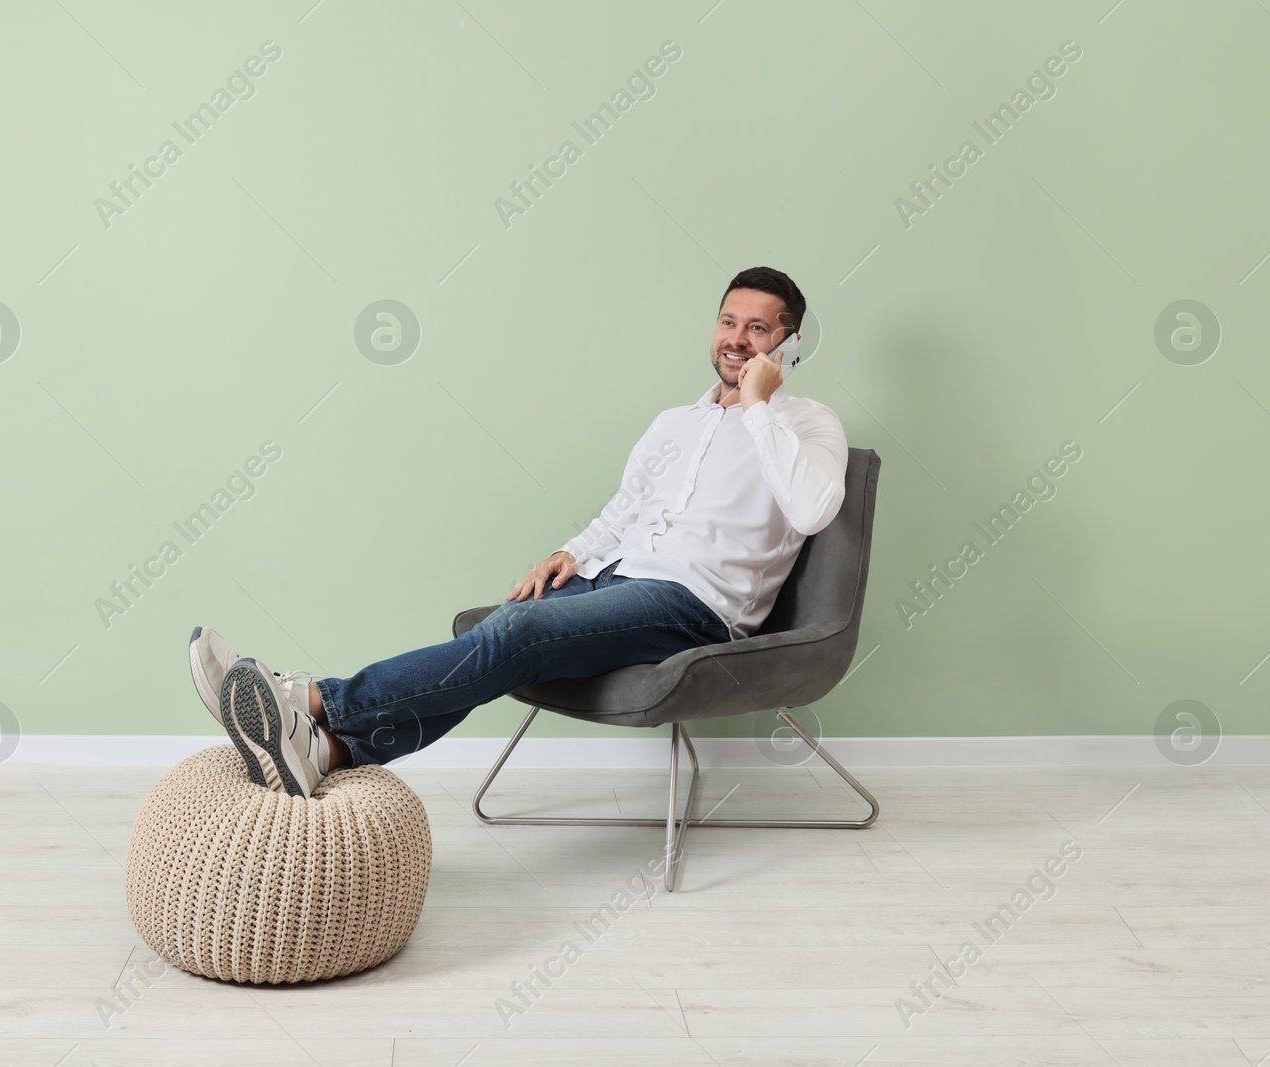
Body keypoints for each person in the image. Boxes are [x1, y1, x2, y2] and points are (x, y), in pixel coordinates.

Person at [189, 266, 849, 797]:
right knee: (503, 630)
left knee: (513, 633)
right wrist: (569, 553)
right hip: (614, 578)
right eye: (728, 321)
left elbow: (813, 509)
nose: (736, 339)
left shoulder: (809, 425)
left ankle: (308, 699)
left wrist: (760, 405)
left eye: (757, 328)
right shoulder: (674, 422)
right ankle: (332, 751)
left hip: (698, 607)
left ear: (788, 346)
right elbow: (622, 510)